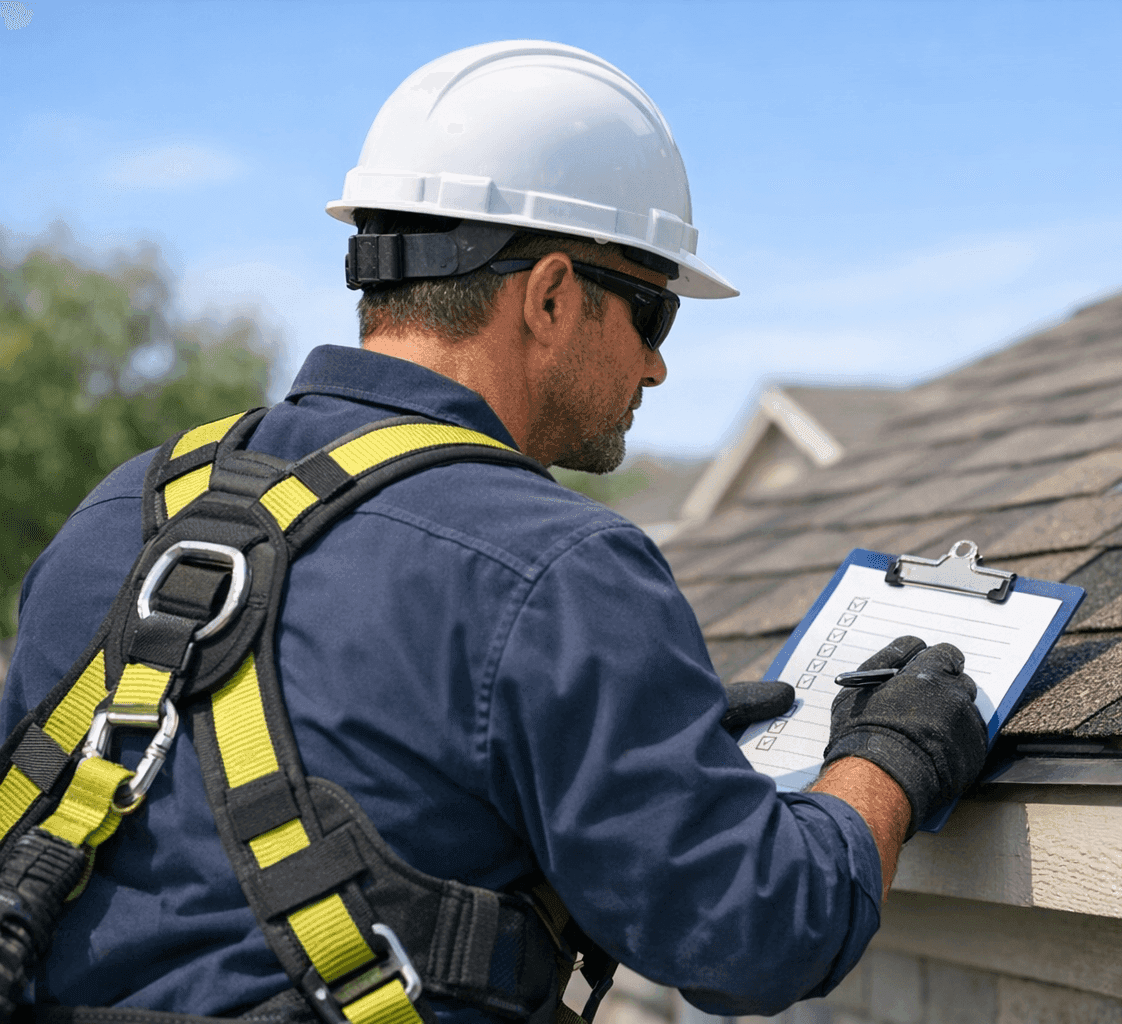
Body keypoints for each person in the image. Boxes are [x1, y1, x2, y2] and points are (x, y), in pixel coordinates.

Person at [1, 41, 987, 1021]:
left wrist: (633, 743)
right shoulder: (554, 568)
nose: (656, 369)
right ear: (552, 296)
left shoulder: (118, 515)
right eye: (653, 315)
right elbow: (753, 935)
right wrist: (889, 755)